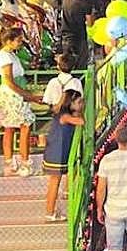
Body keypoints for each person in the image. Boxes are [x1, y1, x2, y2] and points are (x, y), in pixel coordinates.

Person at [0, 27, 40, 176]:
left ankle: (10, 161)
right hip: (12, 95)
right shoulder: (5, 57)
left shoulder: (10, 55)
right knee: (24, 126)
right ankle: (24, 162)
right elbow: (9, 81)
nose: (20, 43)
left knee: (10, 128)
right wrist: (27, 95)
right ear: (9, 41)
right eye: (18, 40)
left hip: (13, 94)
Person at [42, 88, 85, 221]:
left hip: (59, 151)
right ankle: (49, 212)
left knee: (57, 180)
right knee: (54, 182)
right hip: (56, 153)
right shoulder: (64, 116)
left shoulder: (62, 114)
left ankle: (55, 206)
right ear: (70, 103)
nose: (81, 105)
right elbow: (82, 122)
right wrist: (81, 113)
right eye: (79, 102)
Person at [60, 0, 97, 69]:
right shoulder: (86, 2)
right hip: (79, 39)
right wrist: (93, 14)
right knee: (79, 67)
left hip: (65, 37)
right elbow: (90, 23)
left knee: (67, 66)